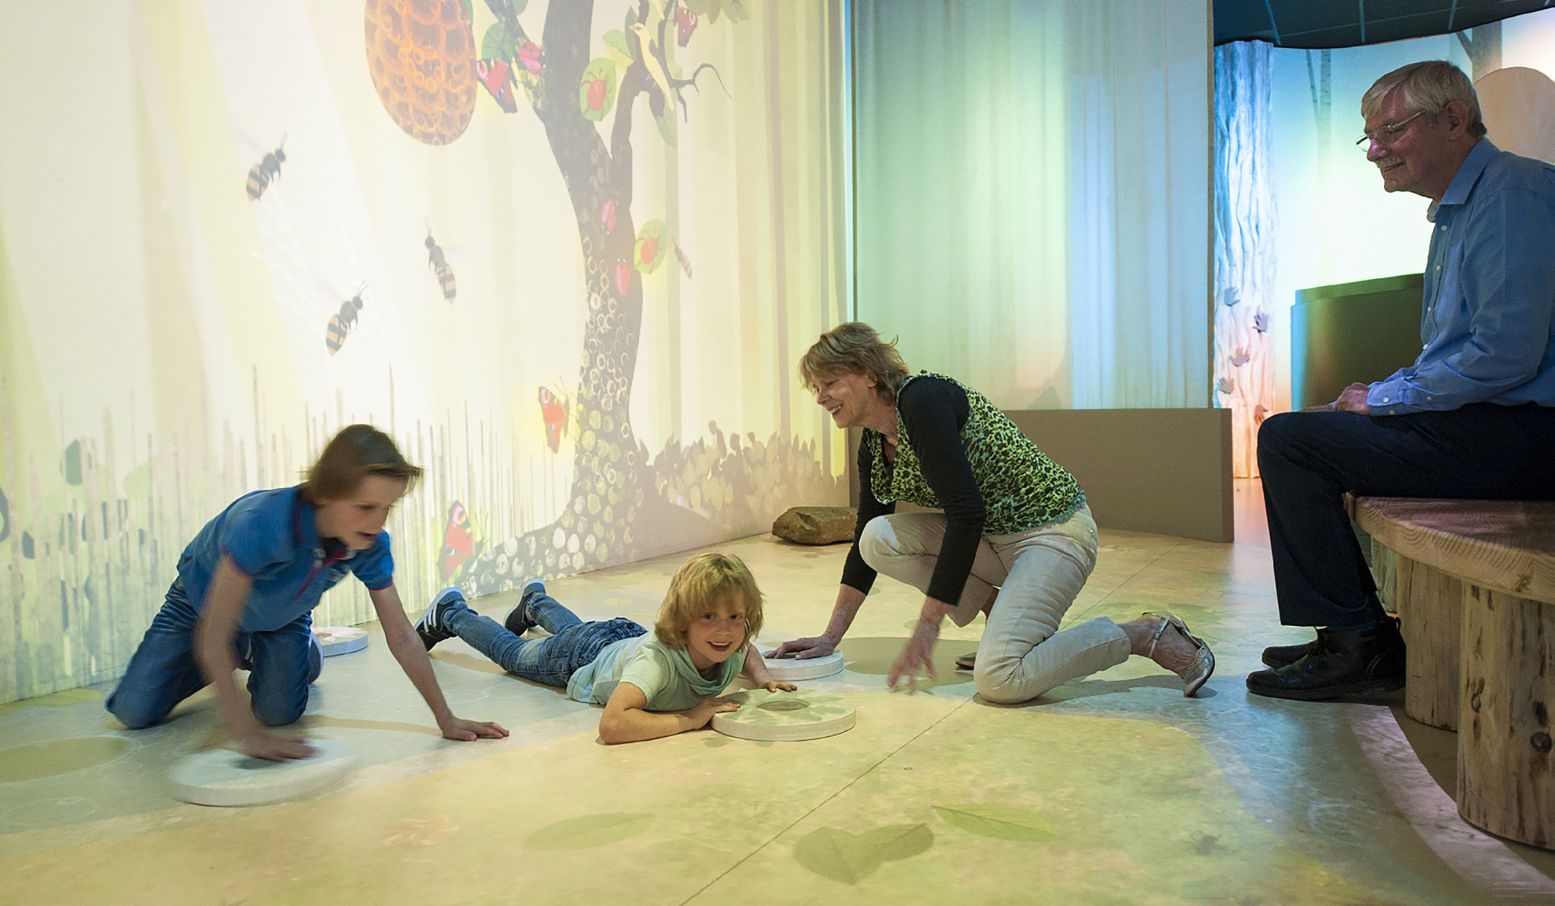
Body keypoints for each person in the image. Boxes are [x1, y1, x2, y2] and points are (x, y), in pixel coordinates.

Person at [1248, 60, 1555, 700]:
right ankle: (1357, 632)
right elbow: (1455, 350)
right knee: (1314, 425)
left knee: (1289, 441)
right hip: (1502, 423)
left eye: (1391, 131)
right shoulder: (1464, 208)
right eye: (1370, 137)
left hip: (1531, 436)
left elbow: (1504, 356)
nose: (1375, 152)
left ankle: (1358, 645)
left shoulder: (1512, 196)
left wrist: (1386, 399)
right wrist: (1377, 396)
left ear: (1453, 119)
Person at [771, 323, 1214, 702]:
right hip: (993, 540)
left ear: (868, 373)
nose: (821, 397)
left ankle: (1143, 633)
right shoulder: (872, 442)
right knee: (876, 538)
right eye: (816, 388)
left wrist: (928, 627)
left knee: (1000, 679)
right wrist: (830, 637)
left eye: (829, 383)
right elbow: (866, 535)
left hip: (1051, 531)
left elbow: (966, 512)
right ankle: (1003, 614)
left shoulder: (923, 400)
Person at [106, 425, 508, 759]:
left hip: (282, 618)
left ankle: (291, 653)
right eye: (365, 507)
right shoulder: (261, 524)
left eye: (388, 508)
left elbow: (402, 635)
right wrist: (247, 736)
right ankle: (236, 655)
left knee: (279, 714)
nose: (378, 521)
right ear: (324, 494)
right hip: (200, 607)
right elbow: (212, 635)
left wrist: (446, 718)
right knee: (134, 712)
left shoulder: (367, 543)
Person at [415, 551, 796, 743]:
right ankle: (451, 613)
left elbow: (745, 650)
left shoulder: (732, 643)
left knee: (582, 630)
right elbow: (613, 724)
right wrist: (688, 720)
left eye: (735, 618)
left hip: (620, 639)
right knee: (514, 654)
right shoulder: (658, 665)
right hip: (582, 657)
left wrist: (762, 679)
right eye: (708, 617)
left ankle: (535, 603)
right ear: (682, 619)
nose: (724, 631)